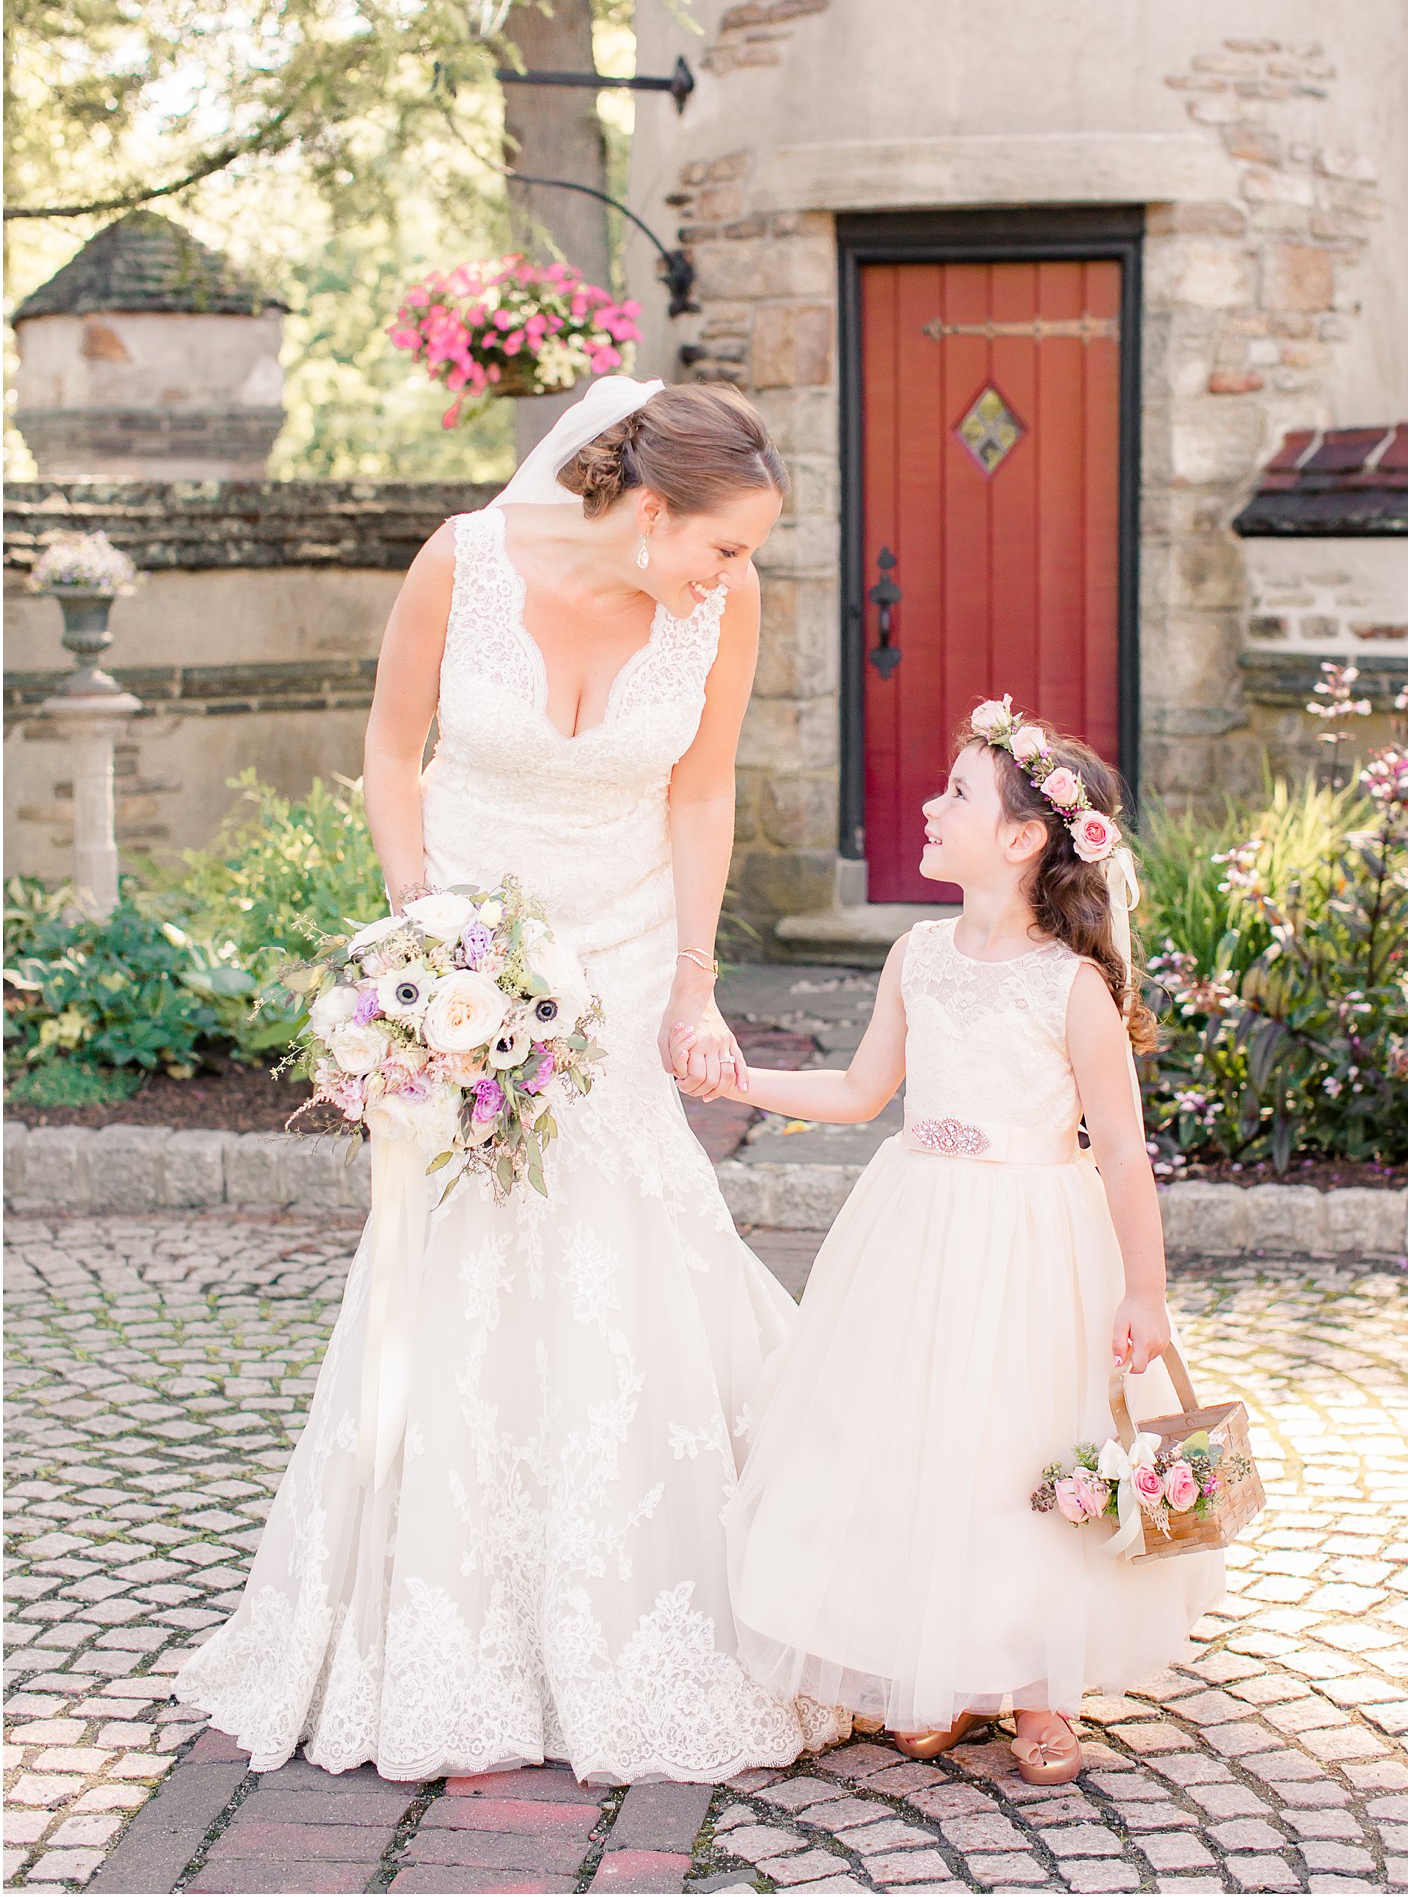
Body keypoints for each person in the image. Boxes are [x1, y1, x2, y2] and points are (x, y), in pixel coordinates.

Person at [174, 375, 847, 1783]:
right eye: (723, 546)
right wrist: (422, 935)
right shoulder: (461, 564)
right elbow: (388, 749)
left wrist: (692, 975)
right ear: (651, 510)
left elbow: (702, 791)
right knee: (457, 1263)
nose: (738, 575)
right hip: (472, 966)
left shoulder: (718, 611)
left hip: (616, 950)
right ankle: (448, 1629)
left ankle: (645, 1605)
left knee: (632, 1257)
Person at [681, 702, 1225, 1784]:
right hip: (916, 1225)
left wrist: (1143, 1292)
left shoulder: (1069, 984)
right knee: (919, 1443)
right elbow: (855, 1088)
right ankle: (942, 1673)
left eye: (957, 796)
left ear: (1024, 840)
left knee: (1024, 1447)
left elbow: (1120, 1151)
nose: (929, 808)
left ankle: (1036, 1689)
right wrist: (730, 1077)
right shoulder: (916, 956)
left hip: (1034, 1236)